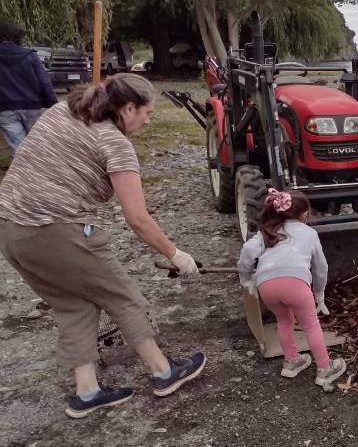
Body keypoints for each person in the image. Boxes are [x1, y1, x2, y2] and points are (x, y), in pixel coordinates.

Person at [0, 73, 206, 418]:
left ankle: (87, 392)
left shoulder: (60, 111)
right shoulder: (114, 144)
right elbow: (138, 219)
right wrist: (174, 254)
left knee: (73, 305)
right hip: (56, 229)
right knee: (122, 296)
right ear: (128, 107)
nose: (147, 119)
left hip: (9, 228)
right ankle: (164, 372)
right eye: (147, 112)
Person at [237, 188, 346, 386]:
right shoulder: (310, 233)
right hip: (295, 283)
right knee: (310, 324)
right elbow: (321, 268)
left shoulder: (266, 233)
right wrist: (319, 294)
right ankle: (324, 368)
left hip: (266, 285)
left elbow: (247, 250)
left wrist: (247, 280)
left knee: (283, 321)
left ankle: (291, 362)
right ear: (304, 214)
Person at [0, 20, 57, 155]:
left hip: (5, 110)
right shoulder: (30, 55)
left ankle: (23, 174)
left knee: (19, 151)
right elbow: (44, 82)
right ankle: (41, 173)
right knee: (39, 147)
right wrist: (53, 104)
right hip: (32, 107)